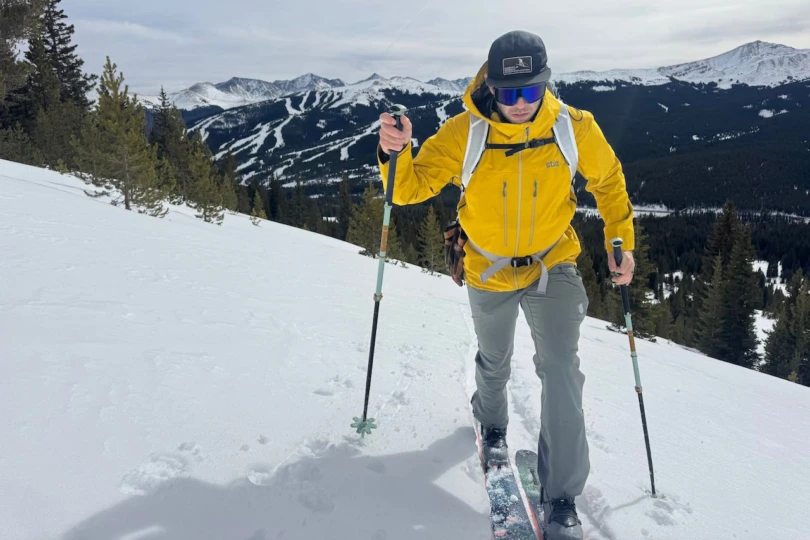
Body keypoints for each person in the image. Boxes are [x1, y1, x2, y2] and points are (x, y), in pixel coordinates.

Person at [375, 29, 635, 540]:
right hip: (488, 267)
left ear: (546, 86)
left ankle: (562, 499)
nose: (520, 104)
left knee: (560, 369)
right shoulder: (464, 133)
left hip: (551, 263)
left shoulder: (572, 128)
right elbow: (407, 187)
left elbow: (609, 181)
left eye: (531, 92)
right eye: (509, 93)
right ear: (490, 87)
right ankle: (491, 423)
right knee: (493, 360)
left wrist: (619, 242)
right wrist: (395, 151)